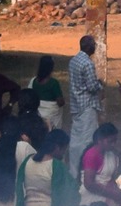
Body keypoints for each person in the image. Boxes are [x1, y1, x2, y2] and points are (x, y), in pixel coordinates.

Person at [66, 37, 102, 173]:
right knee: (88, 140)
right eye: (93, 45)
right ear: (88, 46)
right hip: (87, 106)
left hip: (76, 105)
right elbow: (92, 87)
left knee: (75, 140)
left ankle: (73, 170)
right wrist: (100, 84)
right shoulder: (87, 63)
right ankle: (84, 171)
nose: (95, 47)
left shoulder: (73, 61)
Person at [25, 58, 63, 135]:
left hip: (37, 111)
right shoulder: (54, 83)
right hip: (51, 114)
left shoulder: (34, 81)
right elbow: (60, 102)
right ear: (51, 68)